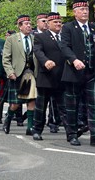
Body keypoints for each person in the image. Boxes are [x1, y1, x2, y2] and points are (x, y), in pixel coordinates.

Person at [60, 0, 95, 146]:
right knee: (72, 105)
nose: (85, 12)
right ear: (75, 13)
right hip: (74, 72)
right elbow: (64, 46)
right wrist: (74, 60)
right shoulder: (68, 27)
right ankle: (72, 134)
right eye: (81, 10)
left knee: (93, 105)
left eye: (86, 9)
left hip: (91, 73)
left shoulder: (94, 28)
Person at [32, 12, 67, 140]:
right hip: (46, 77)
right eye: (55, 22)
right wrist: (45, 61)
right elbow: (37, 51)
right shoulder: (41, 37)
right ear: (48, 23)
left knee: (64, 107)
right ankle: (37, 130)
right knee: (41, 107)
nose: (58, 24)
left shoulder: (65, 37)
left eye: (59, 22)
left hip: (62, 77)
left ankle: (71, 133)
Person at [2, 15, 37, 136]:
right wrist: (10, 72)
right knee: (15, 104)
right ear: (19, 26)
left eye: (29, 23)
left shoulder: (35, 38)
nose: (29, 26)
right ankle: (8, 120)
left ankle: (30, 127)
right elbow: (6, 58)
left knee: (31, 101)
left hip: (31, 73)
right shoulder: (11, 39)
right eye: (26, 24)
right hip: (17, 74)